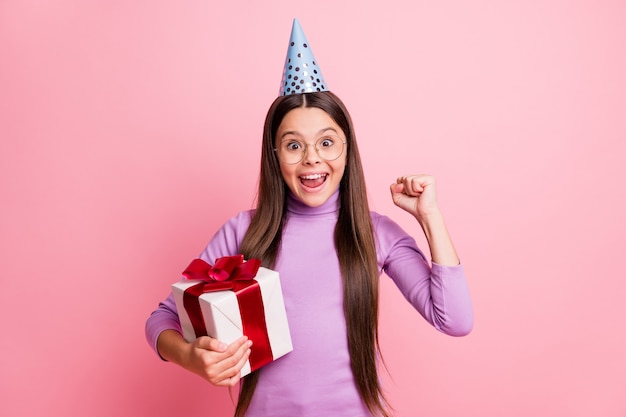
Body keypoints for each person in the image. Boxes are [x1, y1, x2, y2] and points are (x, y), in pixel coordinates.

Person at [145, 19, 473, 417]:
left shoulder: (376, 234)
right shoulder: (243, 231)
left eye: (327, 142)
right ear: (274, 155)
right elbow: (162, 317)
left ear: (348, 150)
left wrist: (430, 216)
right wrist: (188, 356)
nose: (312, 158)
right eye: (293, 145)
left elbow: (454, 319)